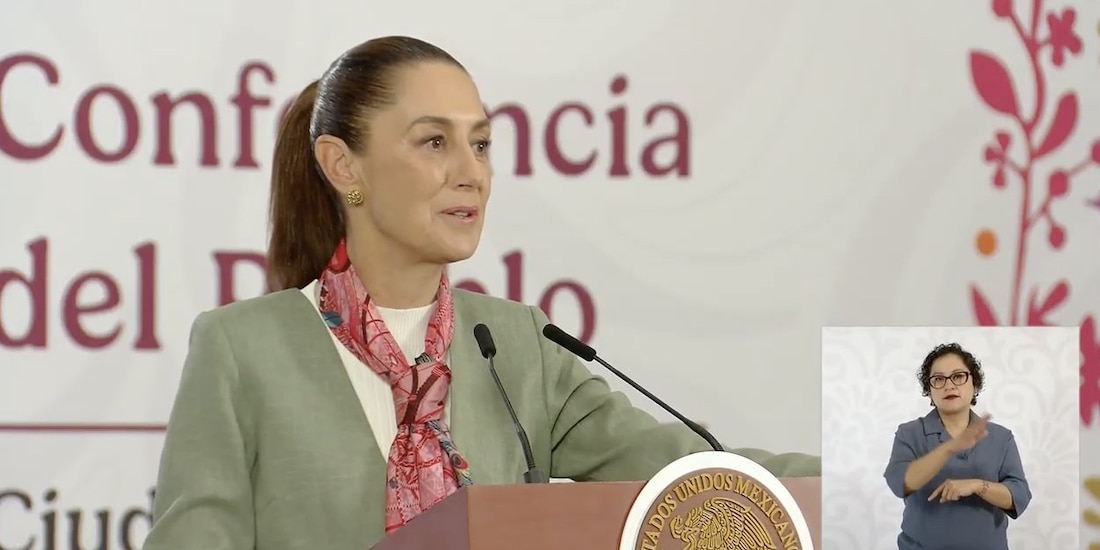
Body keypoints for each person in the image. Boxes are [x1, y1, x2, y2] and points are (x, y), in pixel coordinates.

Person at [139, 36, 820, 550]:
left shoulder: (515, 344)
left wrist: (878, 478)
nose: (472, 173)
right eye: (434, 142)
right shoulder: (242, 348)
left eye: (483, 144)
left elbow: (692, 472)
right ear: (343, 165)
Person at [883, 342, 1031, 550]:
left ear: (975, 384)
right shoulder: (910, 433)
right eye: (938, 379)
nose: (949, 385)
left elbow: (1018, 496)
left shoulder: (1001, 437)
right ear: (929, 390)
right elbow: (900, 483)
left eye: (958, 376)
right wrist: (950, 447)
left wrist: (977, 485)